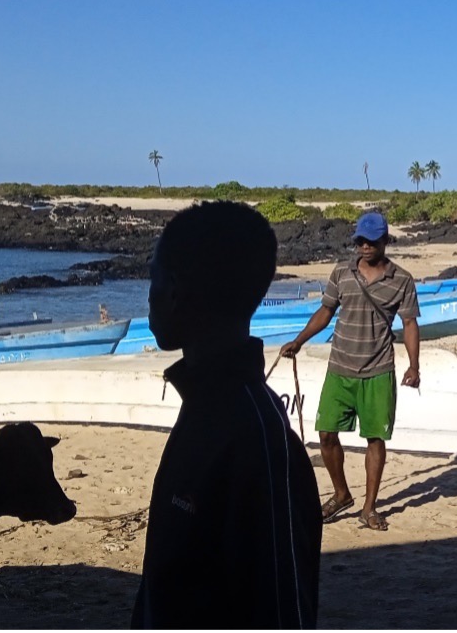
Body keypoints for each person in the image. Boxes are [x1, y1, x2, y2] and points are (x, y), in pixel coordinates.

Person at [132, 201, 321, 629]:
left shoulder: (256, 434)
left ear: (176, 291)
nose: (149, 294)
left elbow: (282, 607)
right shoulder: (205, 406)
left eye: (153, 278)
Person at [280, 211, 420, 532]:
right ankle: (341, 494)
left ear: (385, 241)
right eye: (360, 239)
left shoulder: (402, 279)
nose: (364, 246)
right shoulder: (341, 273)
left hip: (378, 369)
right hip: (340, 367)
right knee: (326, 434)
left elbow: (410, 324)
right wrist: (299, 341)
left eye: (371, 240)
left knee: (375, 439)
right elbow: (326, 311)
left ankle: (369, 508)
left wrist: (414, 366)